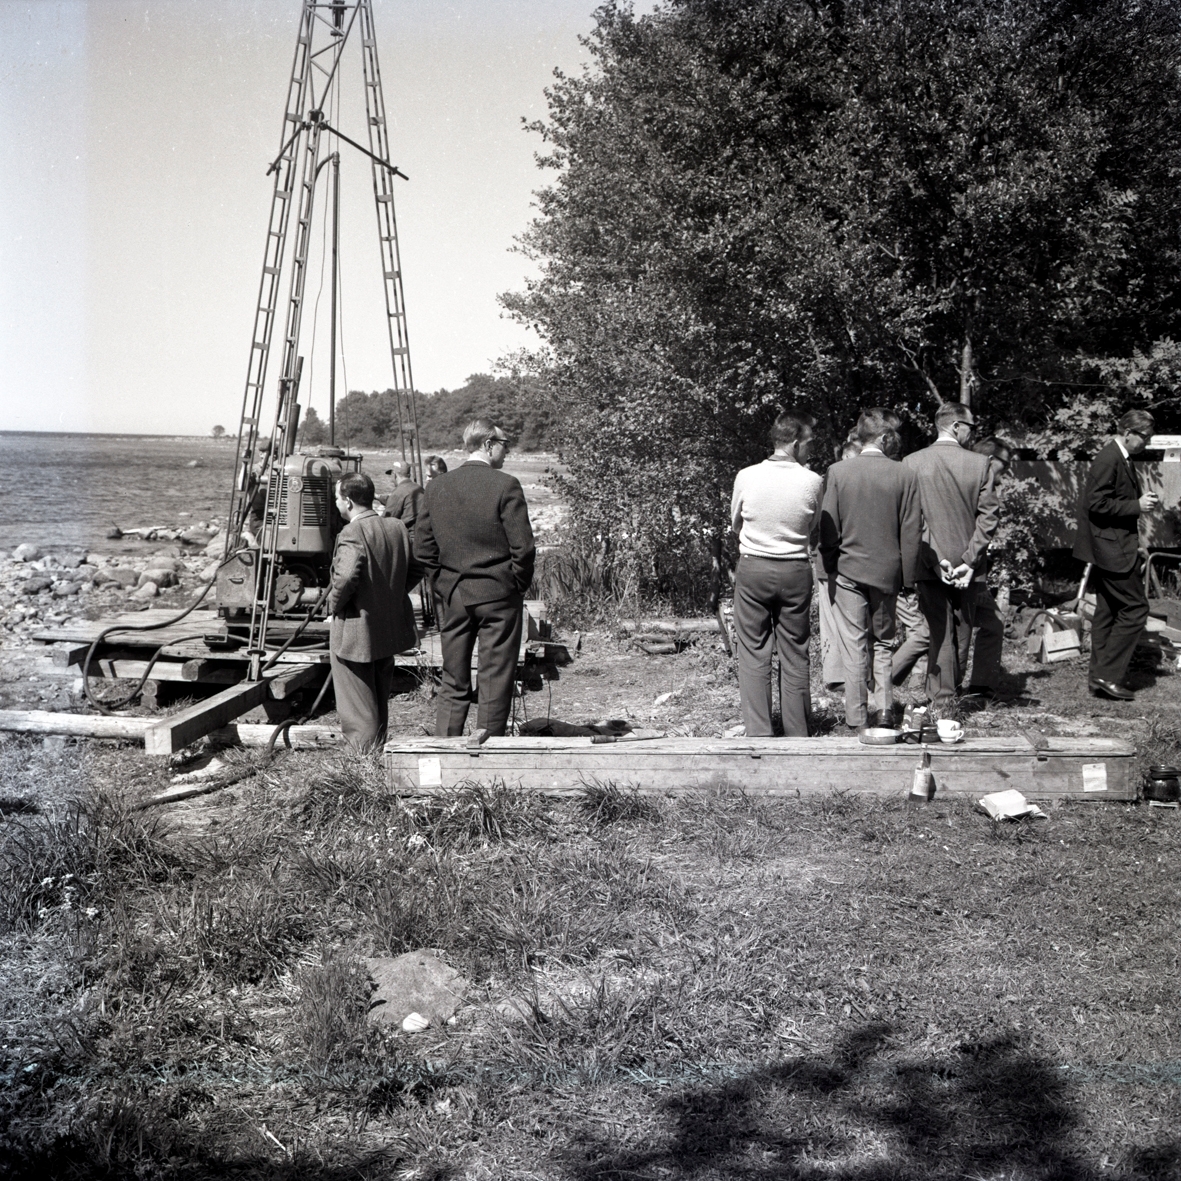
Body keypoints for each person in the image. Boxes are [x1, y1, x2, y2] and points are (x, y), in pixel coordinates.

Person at [415, 418, 535, 737]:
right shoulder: (506, 485)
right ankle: (488, 750)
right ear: (488, 445)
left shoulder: (437, 486)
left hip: (454, 596)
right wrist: (516, 586)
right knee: (494, 679)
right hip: (499, 595)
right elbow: (523, 548)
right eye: (504, 444)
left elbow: (423, 549)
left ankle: (444, 749)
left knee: (453, 678)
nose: (507, 451)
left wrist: (445, 586)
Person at [820, 408, 921, 728]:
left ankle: (857, 717)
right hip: (887, 574)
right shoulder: (904, 474)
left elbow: (827, 529)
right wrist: (908, 579)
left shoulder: (837, 472)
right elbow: (911, 532)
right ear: (885, 437)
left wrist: (832, 566)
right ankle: (886, 710)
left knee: (854, 645)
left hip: (847, 572)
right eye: (894, 435)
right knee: (883, 643)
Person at [730, 411, 823, 737]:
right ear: (795, 443)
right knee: (795, 651)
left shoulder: (746, 476)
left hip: (753, 568)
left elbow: (736, 523)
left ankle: (759, 732)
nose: (811, 449)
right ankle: (797, 733)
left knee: (753, 651)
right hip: (795, 571)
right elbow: (812, 525)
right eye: (809, 443)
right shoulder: (813, 481)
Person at [901, 402, 1000, 711]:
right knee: (962, 631)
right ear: (956, 426)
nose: (973, 433)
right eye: (971, 427)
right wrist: (969, 560)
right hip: (969, 565)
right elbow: (989, 517)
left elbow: (912, 519)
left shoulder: (911, 462)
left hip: (928, 561)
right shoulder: (981, 463)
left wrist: (936, 558)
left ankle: (942, 701)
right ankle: (948, 699)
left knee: (939, 631)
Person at [326, 472, 422, 751]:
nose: (336, 503)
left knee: (357, 705)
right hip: (386, 627)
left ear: (348, 501)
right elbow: (417, 567)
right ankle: (377, 752)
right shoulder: (396, 527)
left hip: (354, 630)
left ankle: (361, 762)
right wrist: (392, 593)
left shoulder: (352, 532)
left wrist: (334, 606)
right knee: (378, 697)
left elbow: (345, 578)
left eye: (336, 498)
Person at [1072, 408, 1160, 700]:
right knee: (1136, 609)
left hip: (1113, 545)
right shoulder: (1109, 458)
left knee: (1108, 611)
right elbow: (1096, 504)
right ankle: (1107, 676)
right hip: (1111, 549)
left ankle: (1098, 678)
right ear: (1128, 433)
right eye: (1144, 437)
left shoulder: (1120, 457)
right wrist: (1137, 506)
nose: (1147, 442)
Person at [817, 437, 863, 691]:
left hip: (847, 560)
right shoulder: (833, 479)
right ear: (845, 457)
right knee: (832, 619)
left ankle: (851, 674)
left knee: (849, 621)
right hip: (831, 560)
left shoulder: (840, 478)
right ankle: (836, 677)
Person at [382, 460, 425, 534]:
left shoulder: (398, 492)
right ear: (409, 475)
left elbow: (386, 521)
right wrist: (377, 497)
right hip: (422, 532)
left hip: (409, 536)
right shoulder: (419, 488)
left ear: (394, 475)